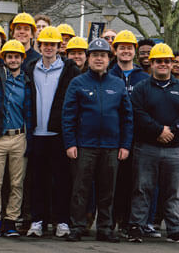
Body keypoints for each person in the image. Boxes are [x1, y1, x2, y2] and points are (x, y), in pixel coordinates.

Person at [62, 37, 132, 242]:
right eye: (94, 55)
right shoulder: (78, 83)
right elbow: (68, 116)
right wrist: (70, 143)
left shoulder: (117, 84)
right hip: (84, 146)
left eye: (103, 55)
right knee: (80, 189)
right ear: (88, 58)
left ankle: (105, 228)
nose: (99, 59)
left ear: (109, 59)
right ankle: (77, 226)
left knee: (107, 190)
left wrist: (125, 145)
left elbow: (127, 117)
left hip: (111, 147)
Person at [125, 43, 179, 244]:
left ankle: (174, 229)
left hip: (174, 149)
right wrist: (158, 130)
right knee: (142, 189)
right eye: (158, 61)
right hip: (147, 147)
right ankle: (136, 227)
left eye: (166, 61)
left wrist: (172, 131)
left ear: (172, 64)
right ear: (151, 63)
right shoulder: (141, 88)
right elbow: (137, 113)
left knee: (172, 192)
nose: (163, 64)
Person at [25, 25, 78, 238]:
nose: (48, 48)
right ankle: (37, 221)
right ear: (40, 45)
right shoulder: (30, 67)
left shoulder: (70, 69)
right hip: (37, 134)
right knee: (37, 181)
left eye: (52, 45)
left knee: (61, 181)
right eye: (45, 44)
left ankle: (62, 221)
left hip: (59, 135)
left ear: (59, 47)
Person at [0, 40, 29, 238]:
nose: (13, 60)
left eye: (16, 56)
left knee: (17, 182)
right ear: (4, 58)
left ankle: (11, 220)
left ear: (21, 59)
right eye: (9, 56)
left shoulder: (27, 82)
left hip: (19, 136)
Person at [108, 30, 147, 230]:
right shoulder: (107, 73)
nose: (125, 52)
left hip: (137, 139)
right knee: (111, 183)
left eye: (129, 48)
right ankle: (109, 221)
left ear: (135, 51)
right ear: (115, 51)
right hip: (112, 137)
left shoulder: (143, 77)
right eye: (121, 48)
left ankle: (127, 222)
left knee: (132, 183)